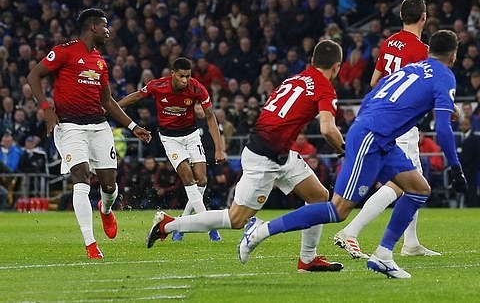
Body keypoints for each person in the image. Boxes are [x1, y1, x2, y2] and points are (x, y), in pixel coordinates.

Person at [237, 30, 467, 279]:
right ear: (453, 56)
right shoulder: (445, 76)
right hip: (372, 136)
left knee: (418, 189)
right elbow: (443, 127)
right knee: (338, 210)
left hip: (379, 136)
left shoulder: (411, 68)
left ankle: (383, 255)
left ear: (430, 50)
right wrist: (455, 166)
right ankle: (261, 231)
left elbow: (372, 94)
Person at [145, 39, 346, 272]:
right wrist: (347, 151)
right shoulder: (324, 87)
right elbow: (328, 129)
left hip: (278, 152)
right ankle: (168, 225)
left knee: (318, 196)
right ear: (337, 67)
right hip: (265, 156)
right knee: (236, 220)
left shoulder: (296, 78)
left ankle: (307, 260)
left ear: (312, 60)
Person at [26, 8, 152, 259]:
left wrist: (132, 126)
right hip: (70, 126)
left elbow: (108, 101)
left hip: (98, 127)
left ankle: (105, 210)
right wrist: (46, 109)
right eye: (105, 26)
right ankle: (91, 244)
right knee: (81, 177)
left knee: (109, 184)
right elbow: (33, 76)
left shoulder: (100, 61)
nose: (109, 31)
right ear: (92, 27)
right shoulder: (64, 51)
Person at [334, 0, 438, 259]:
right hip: (401, 122)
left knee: (416, 182)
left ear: (401, 17)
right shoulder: (422, 51)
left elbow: (373, 81)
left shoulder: (389, 43)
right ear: (424, 17)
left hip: (383, 116)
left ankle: (411, 243)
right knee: (402, 185)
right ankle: (351, 231)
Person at [118, 57, 226, 242]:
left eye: (188, 76)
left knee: (202, 180)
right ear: (173, 74)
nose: (185, 80)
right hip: (170, 139)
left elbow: (210, 116)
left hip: (191, 136)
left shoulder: (197, 88)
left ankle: (181, 226)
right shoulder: (158, 85)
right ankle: (211, 228)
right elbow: (136, 96)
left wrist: (219, 148)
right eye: (182, 76)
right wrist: (114, 106)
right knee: (188, 178)